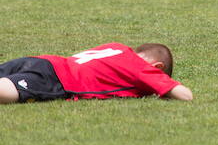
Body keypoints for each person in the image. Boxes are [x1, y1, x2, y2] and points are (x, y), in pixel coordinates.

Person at [0, 42, 192, 103]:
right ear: (157, 67)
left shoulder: (117, 47)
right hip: (58, 79)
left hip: (43, 61)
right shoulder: (143, 68)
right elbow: (186, 95)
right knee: (7, 91)